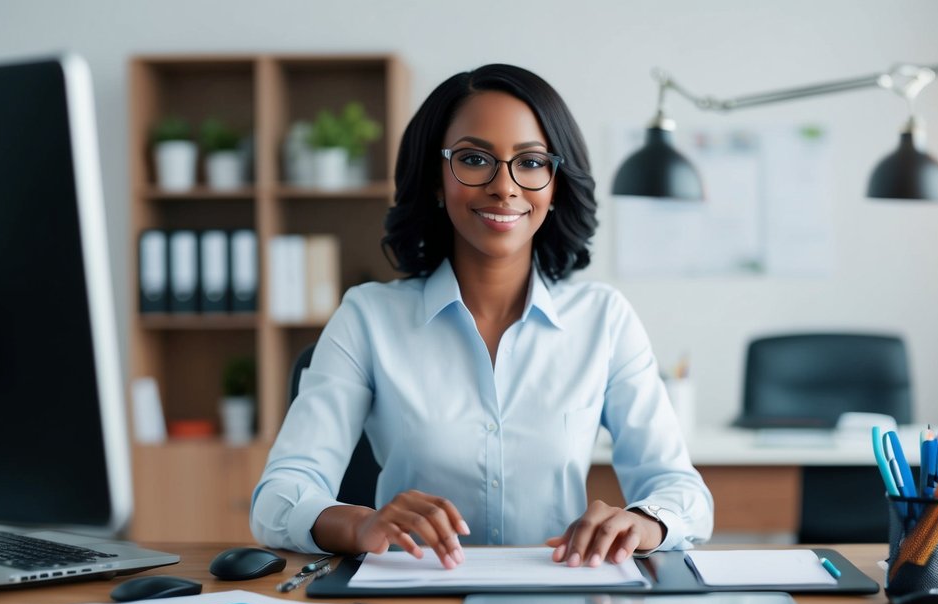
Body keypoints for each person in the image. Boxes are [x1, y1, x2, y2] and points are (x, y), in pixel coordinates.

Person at [250, 63, 712, 568]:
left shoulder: (603, 319)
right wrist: (361, 524)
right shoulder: (368, 317)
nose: (504, 187)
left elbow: (681, 490)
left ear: (555, 185)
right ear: (434, 179)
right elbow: (278, 498)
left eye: (531, 162)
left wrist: (644, 522)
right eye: (474, 159)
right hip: (413, 597)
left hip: (557, 595)